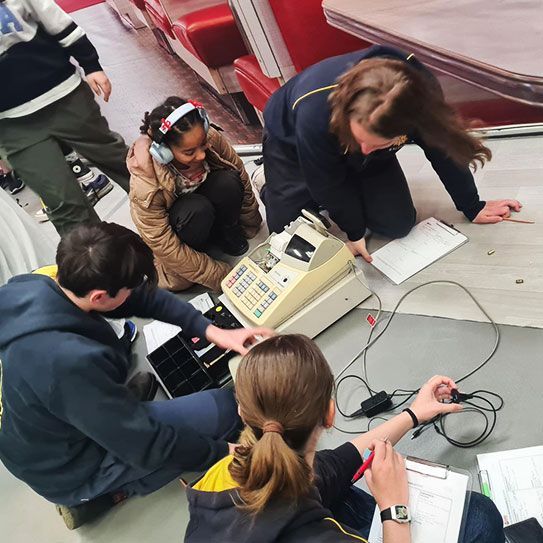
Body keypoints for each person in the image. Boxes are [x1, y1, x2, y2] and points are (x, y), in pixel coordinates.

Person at [0, 222, 273, 530]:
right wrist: (223, 451)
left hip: (53, 420)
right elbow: (149, 444)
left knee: (127, 414)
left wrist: (212, 331)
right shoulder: (65, 363)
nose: (136, 292)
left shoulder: (46, 279)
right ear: (100, 296)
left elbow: (141, 298)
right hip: (68, 465)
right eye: (129, 287)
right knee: (225, 413)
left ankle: (113, 410)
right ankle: (101, 496)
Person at [185, 335, 505, 542]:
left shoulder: (229, 470)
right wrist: (394, 506)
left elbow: (339, 462)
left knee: (341, 493)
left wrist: (414, 414)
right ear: (330, 414)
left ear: (243, 412)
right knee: (481, 517)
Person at [261, 45, 521, 262]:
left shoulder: (420, 95)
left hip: (352, 145)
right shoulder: (313, 114)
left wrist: (472, 205)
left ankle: (358, 168)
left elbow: (443, 149)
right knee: (287, 241)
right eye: (362, 141)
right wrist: (354, 232)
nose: (363, 151)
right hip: (291, 143)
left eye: (375, 143)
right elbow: (325, 180)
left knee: (397, 225)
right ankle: (266, 180)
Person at [0, 0, 130, 235]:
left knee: (120, 161)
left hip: (65, 96)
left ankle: (180, 223)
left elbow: (57, 22)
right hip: (11, 126)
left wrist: (91, 65)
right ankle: (102, 265)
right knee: (63, 204)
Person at [128, 97, 262, 292]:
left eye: (203, 145)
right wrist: (218, 275)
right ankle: (200, 249)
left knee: (229, 181)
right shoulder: (145, 183)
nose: (200, 156)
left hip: (208, 209)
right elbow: (163, 243)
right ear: (164, 152)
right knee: (196, 208)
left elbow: (240, 174)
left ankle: (226, 232)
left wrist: (251, 223)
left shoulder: (210, 137)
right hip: (186, 225)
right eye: (189, 152)